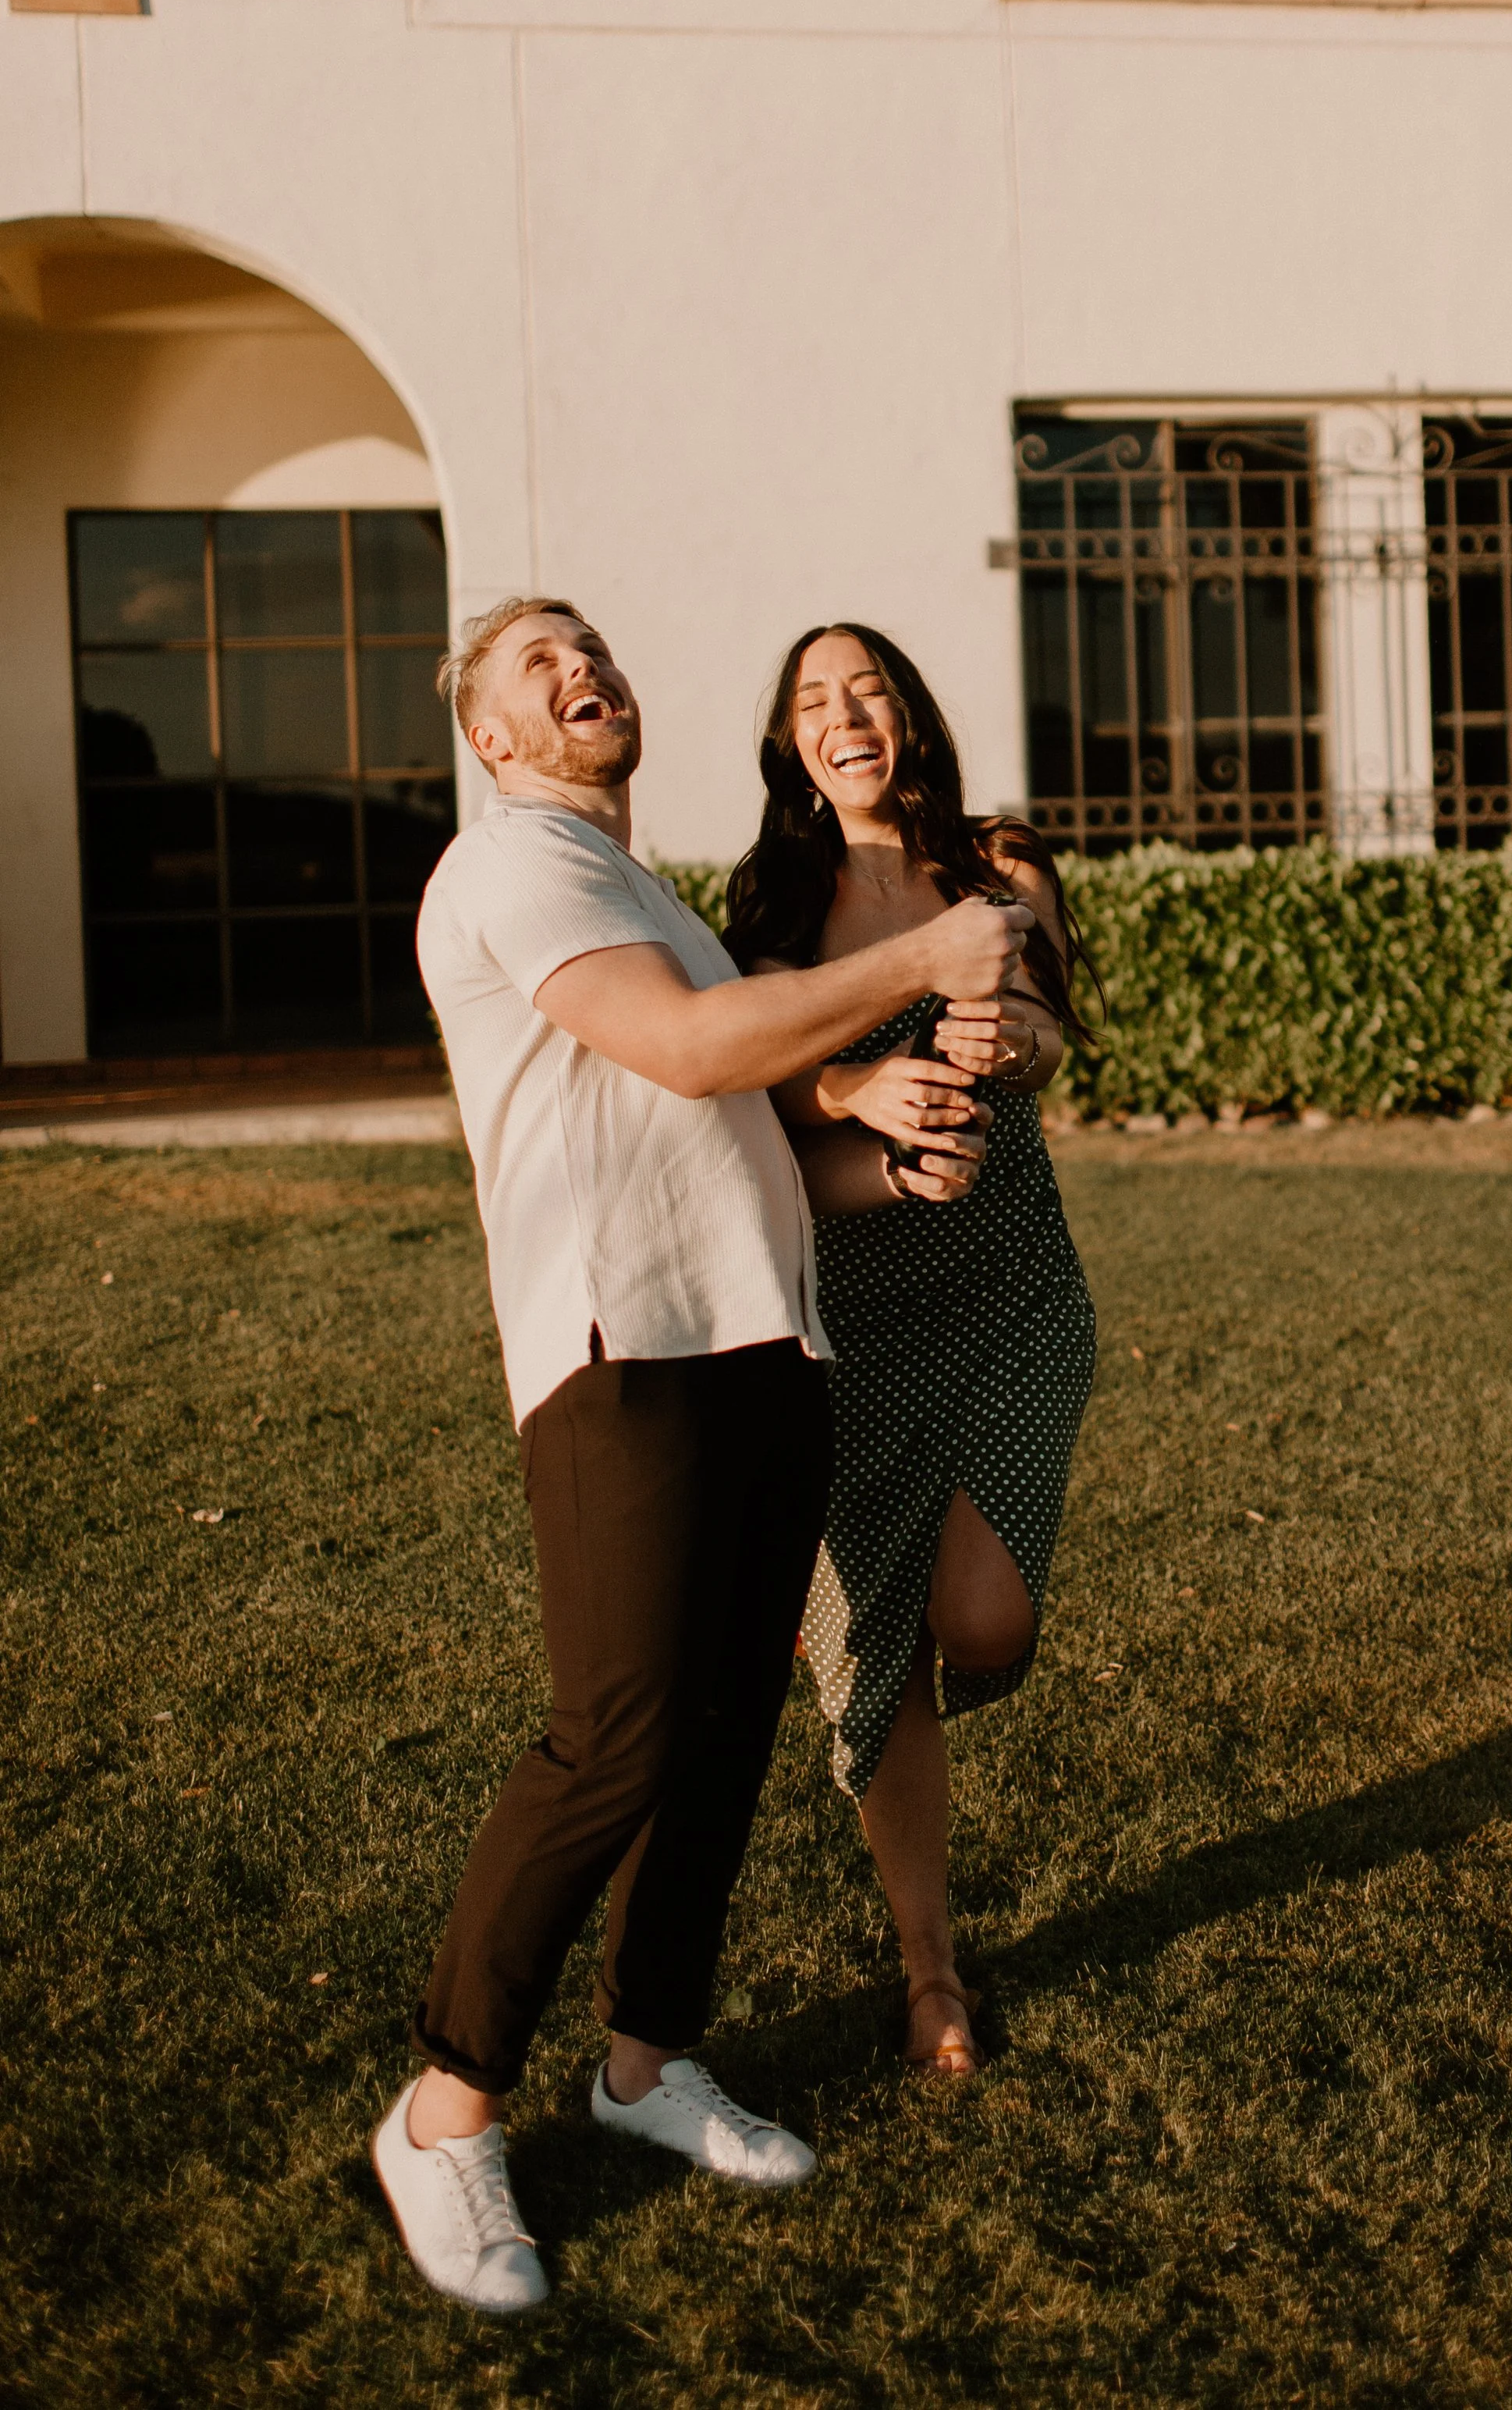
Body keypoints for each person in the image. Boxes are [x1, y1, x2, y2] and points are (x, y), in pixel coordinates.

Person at [371, 597, 1029, 2316]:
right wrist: (918, 964)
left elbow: (753, 1130)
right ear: (497, 738)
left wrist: (894, 1161)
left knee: (728, 1735)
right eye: (536, 663)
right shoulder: (508, 864)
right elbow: (681, 1049)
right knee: (618, 1733)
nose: (577, 666)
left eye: (587, 642)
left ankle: (646, 2062)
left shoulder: (650, 894)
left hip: (764, 1348)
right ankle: (445, 2114)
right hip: (622, 1357)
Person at [722, 623, 1099, 2080]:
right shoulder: (778, 901)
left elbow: (1055, 1026)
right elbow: (758, 1081)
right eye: (814, 702)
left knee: (986, 1622)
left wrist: (1017, 1045)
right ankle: (929, 1968)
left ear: (912, 715)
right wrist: (858, 1085)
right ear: (793, 746)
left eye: (866, 688)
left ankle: (946, 1656)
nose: (844, 715)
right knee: (886, 1646)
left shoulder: (1002, 864)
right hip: (857, 1306)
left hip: (1009, 1281)